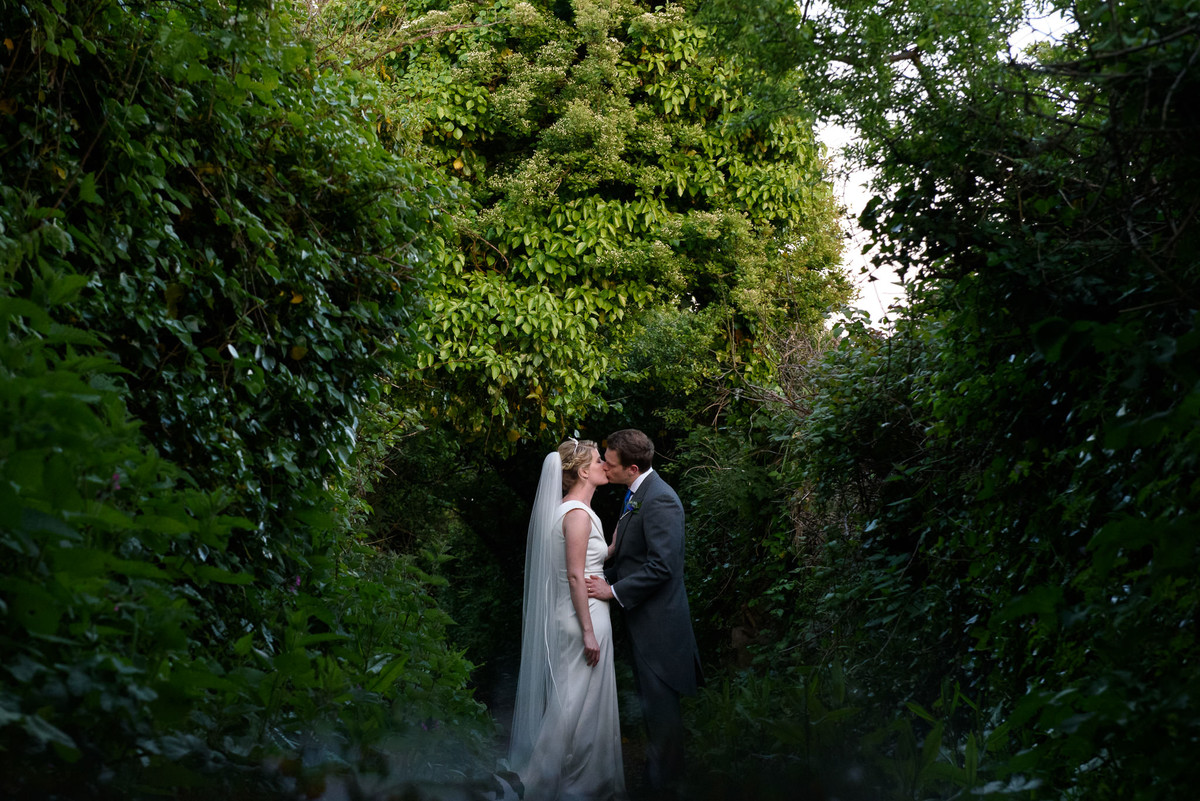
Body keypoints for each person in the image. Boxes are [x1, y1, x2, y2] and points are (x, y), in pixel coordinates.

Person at [510, 439, 628, 801]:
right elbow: (576, 576)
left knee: (585, 705)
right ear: (582, 472)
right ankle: (539, 783)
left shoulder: (575, 511)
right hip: (583, 618)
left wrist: (612, 545)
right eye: (597, 461)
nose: (604, 466)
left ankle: (584, 782)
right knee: (573, 705)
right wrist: (588, 633)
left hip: (584, 614)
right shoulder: (575, 513)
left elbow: (588, 562)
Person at [586, 429, 702, 798]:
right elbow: (633, 555)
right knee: (653, 714)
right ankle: (658, 784)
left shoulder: (661, 500)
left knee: (663, 716)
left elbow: (663, 566)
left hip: (661, 629)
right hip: (643, 624)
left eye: (610, 462)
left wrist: (613, 591)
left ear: (632, 467)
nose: (604, 465)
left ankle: (667, 788)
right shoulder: (636, 495)